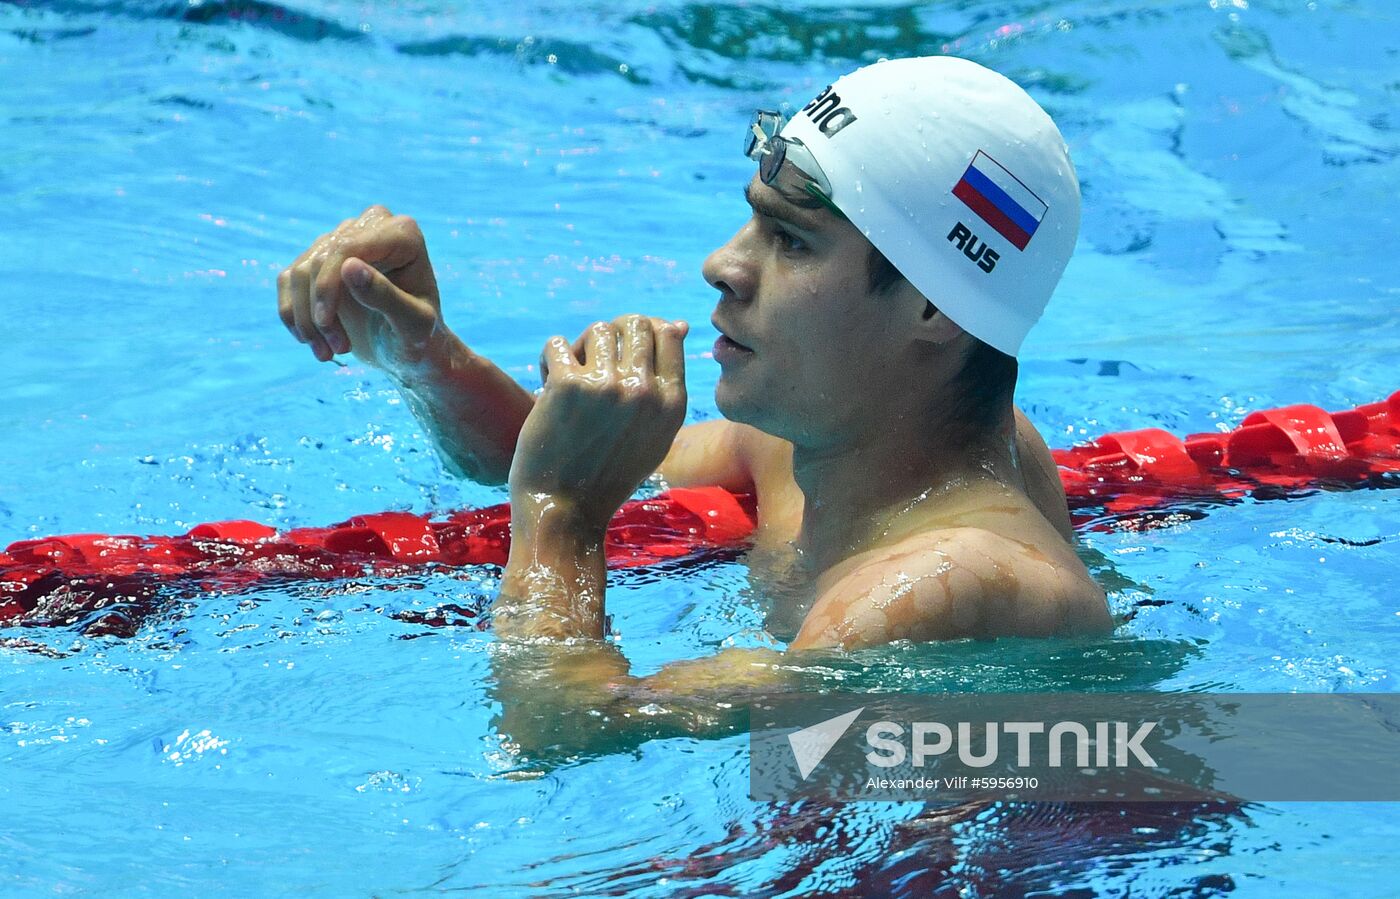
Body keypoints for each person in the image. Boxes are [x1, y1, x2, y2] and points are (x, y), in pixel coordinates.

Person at [276, 57, 1113, 746]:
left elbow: (553, 732)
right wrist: (427, 361)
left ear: (933, 305)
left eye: (790, 240)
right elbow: (559, 454)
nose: (723, 263)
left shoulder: (927, 586)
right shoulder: (846, 440)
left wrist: (560, 517)